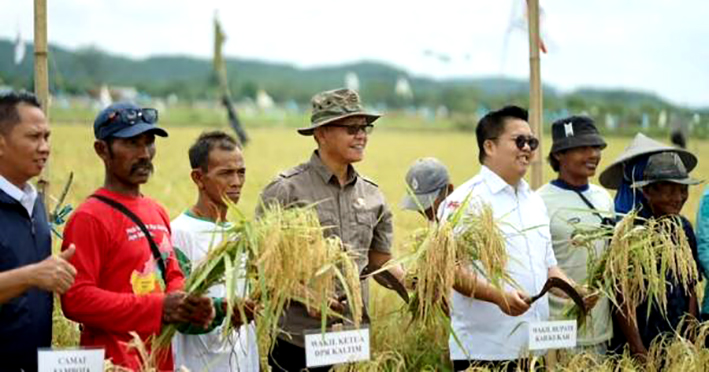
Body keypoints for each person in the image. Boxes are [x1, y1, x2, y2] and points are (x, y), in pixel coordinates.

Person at [257, 88, 407, 372]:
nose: (361, 135)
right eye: (352, 128)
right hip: (299, 342)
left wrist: (414, 286)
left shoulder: (373, 195)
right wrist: (306, 296)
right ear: (322, 133)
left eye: (365, 127)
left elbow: (377, 261)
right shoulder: (286, 189)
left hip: (352, 339)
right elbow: (261, 266)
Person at [60, 103, 214, 370]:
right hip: (114, 363)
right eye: (131, 143)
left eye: (149, 142)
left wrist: (184, 304)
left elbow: (172, 273)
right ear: (102, 150)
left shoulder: (156, 211)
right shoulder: (89, 218)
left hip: (159, 360)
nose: (144, 153)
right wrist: (159, 307)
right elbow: (76, 299)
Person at [438, 106, 590, 371]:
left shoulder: (534, 202)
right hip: (485, 351)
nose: (527, 148)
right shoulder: (464, 202)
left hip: (533, 350)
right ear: (490, 147)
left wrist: (575, 291)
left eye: (532, 142)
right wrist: (497, 296)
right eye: (519, 141)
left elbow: (548, 267)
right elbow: (449, 269)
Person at [0, 91, 76, 372]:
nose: (44, 147)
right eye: (34, 137)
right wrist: (32, 275)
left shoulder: (35, 205)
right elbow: (34, 276)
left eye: (47, 137)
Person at [172, 131, 259, 371]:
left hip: (243, 361)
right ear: (198, 178)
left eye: (241, 172)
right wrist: (226, 311)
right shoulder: (179, 233)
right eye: (226, 173)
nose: (236, 182)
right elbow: (177, 308)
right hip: (198, 363)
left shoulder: (241, 233)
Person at [537, 116, 614, 355]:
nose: (593, 155)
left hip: (600, 331)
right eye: (583, 148)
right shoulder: (539, 201)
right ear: (559, 154)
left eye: (596, 147)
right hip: (556, 334)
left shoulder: (604, 198)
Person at [613, 151, 701, 358]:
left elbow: (691, 287)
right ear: (648, 192)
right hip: (642, 344)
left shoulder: (683, 229)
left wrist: (688, 338)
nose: (679, 198)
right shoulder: (630, 233)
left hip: (676, 345)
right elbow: (621, 299)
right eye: (670, 191)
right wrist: (638, 350)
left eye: (683, 190)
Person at [599, 133, 696, 215]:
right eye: (669, 189)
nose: (678, 198)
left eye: (683, 189)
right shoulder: (622, 220)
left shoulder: (679, 225)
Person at [400, 157, 454, 222]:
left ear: (449, 190)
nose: (425, 212)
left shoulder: (465, 223)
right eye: (418, 205)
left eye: (427, 203)